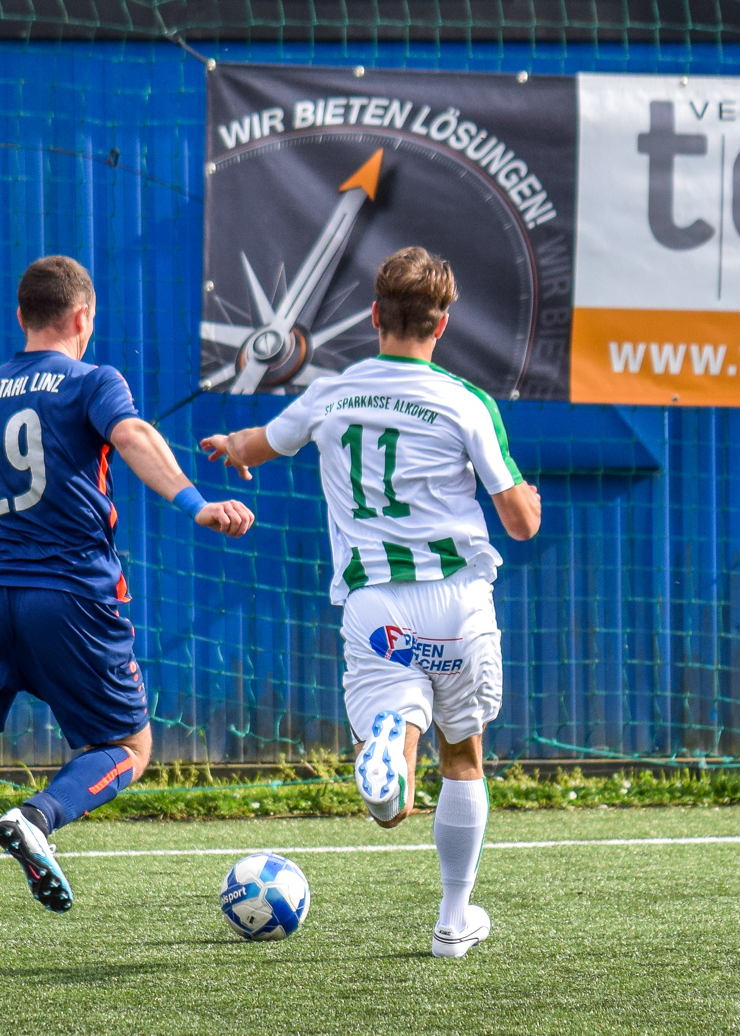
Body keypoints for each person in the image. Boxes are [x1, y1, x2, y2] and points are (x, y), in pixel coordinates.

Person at [0, 255, 254, 961]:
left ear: (22, 316)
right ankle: (39, 817)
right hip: (69, 597)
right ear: (83, 317)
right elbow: (133, 435)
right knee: (130, 747)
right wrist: (197, 504)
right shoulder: (94, 380)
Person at [200, 246, 540, 958]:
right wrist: (528, 499)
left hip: (376, 607)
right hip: (457, 602)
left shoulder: (333, 392)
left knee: (392, 806)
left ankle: (390, 738)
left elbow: (260, 446)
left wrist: (231, 444)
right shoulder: (464, 401)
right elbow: (519, 523)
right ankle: (453, 922)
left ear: (375, 316)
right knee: (464, 756)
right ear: (441, 324)